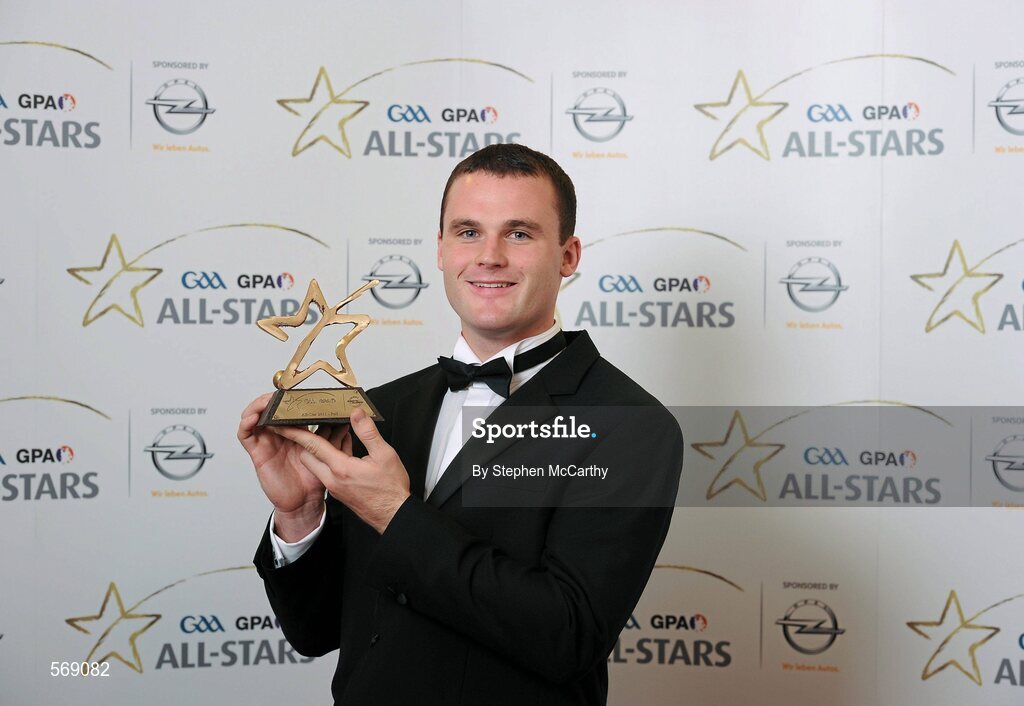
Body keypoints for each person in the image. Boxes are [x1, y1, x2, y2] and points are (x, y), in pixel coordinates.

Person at [238, 143, 684, 705]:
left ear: (568, 256)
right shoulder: (380, 411)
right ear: (443, 250)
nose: (489, 256)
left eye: (519, 233)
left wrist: (395, 515)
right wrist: (300, 515)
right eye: (468, 232)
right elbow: (317, 631)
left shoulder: (629, 425)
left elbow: (566, 636)